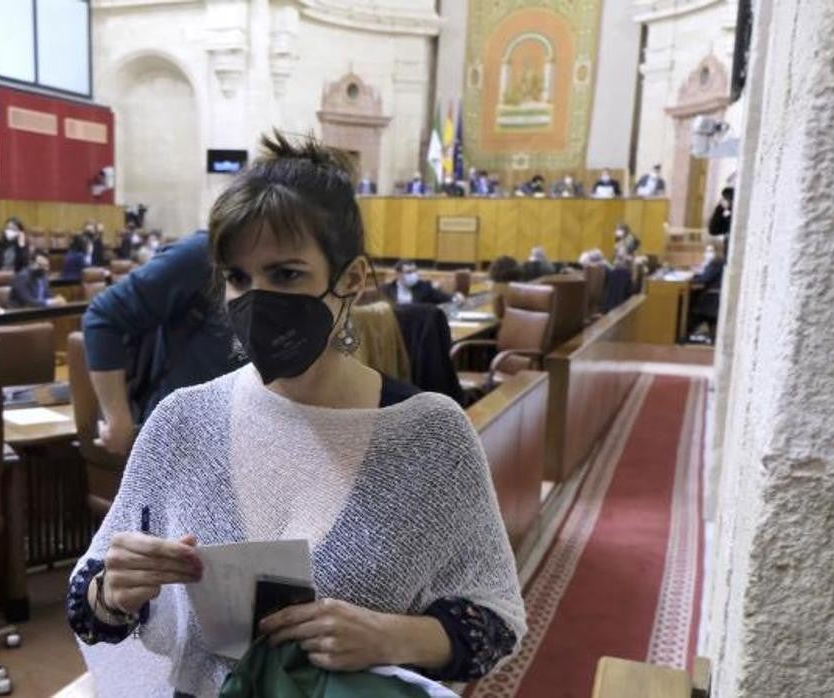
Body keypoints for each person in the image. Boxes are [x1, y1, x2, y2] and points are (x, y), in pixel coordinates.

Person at [67, 131, 525, 696]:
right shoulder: (180, 422)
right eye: (238, 278)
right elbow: (88, 603)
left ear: (351, 279)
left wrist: (391, 638)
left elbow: (496, 626)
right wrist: (112, 592)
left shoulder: (430, 434)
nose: (255, 299)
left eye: (285, 275)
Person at [80, 230, 244, 455]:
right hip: (180, 447)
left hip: (257, 443)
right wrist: (117, 419)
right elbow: (103, 317)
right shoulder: (201, 254)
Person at [383, 261, 454, 305]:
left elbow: (444, 298)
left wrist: (456, 298)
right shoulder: (386, 289)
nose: (413, 275)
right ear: (398, 274)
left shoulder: (425, 288)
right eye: (409, 272)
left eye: (415, 271)